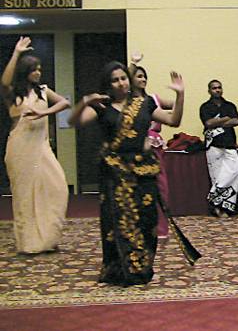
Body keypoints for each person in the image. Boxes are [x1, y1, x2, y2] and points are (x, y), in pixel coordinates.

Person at [69, 61, 185, 286]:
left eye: (123, 78)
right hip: (115, 174)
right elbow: (73, 122)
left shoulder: (145, 103)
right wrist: (84, 102)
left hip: (143, 171)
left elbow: (174, 120)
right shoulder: (101, 107)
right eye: (115, 80)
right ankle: (121, 269)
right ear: (108, 84)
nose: (120, 83)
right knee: (118, 223)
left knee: (146, 220)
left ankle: (142, 266)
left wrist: (181, 95)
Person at [0, 36, 70, 254]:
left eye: (39, 69)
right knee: (24, 196)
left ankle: (47, 237)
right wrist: (17, 53)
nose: (38, 73)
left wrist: (44, 112)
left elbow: (65, 102)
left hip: (41, 148)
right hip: (20, 148)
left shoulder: (43, 90)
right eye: (33, 69)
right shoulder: (13, 94)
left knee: (58, 188)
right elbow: (4, 82)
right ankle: (30, 243)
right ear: (25, 72)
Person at [129, 52, 174, 239]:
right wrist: (133, 63)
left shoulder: (153, 100)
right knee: (136, 188)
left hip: (155, 149)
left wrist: (180, 93)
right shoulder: (127, 102)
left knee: (160, 187)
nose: (143, 79)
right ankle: (139, 228)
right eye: (139, 76)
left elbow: (174, 105)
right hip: (135, 149)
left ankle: (161, 228)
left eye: (145, 76)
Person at [199, 79, 238, 218]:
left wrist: (217, 122)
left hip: (230, 145)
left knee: (234, 172)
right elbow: (208, 123)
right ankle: (219, 209)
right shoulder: (205, 107)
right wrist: (225, 119)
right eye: (214, 88)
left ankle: (213, 199)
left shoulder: (229, 105)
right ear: (209, 90)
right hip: (213, 146)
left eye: (219, 88)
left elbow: (237, 120)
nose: (217, 90)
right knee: (217, 178)